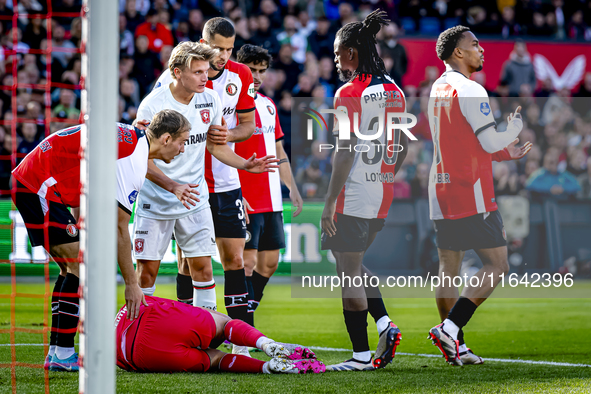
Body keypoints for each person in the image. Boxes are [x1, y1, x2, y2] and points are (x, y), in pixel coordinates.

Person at [11, 109, 200, 371]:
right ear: (166, 138)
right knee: (80, 266)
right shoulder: (131, 161)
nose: (182, 150)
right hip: (38, 185)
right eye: (182, 142)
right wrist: (132, 284)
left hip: (35, 179)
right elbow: (120, 230)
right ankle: (63, 353)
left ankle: (58, 353)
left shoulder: (133, 139)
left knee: (71, 268)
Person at [133, 41, 276, 326]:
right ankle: (136, 333)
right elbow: (140, 158)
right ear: (176, 72)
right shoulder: (153, 104)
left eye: (206, 71)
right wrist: (172, 185)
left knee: (203, 268)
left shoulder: (210, 99)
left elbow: (216, 147)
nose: (205, 77)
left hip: (196, 198)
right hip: (156, 200)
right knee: (147, 272)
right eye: (197, 71)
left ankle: (203, 335)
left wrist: (245, 164)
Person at [152, 19, 259, 357]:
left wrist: (227, 136)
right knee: (189, 264)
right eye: (219, 48)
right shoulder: (176, 79)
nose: (224, 56)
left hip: (226, 182)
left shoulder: (240, 76)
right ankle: (189, 333)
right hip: (189, 185)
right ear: (204, 42)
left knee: (236, 258)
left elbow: (247, 126)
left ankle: (238, 343)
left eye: (229, 49)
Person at [427, 26, 532, 366]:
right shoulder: (471, 89)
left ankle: (454, 344)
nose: (481, 50)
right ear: (458, 53)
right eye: (474, 45)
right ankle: (451, 327)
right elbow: (487, 142)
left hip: (440, 187)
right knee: (497, 264)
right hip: (470, 189)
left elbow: (463, 141)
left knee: (449, 267)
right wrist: (513, 130)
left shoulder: (438, 87)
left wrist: (504, 153)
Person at [320, 10, 407, 372]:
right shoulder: (395, 90)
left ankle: (359, 355)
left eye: (339, 53)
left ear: (352, 52)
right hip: (381, 193)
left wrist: (327, 204)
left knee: (348, 272)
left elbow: (344, 150)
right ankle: (384, 323)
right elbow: (400, 147)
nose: (336, 60)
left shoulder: (348, 92)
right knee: (350, 263)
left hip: (352, 193)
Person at [234, 44, 303, 329]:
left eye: (262, 70)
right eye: (253, 70)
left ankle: (244, 320)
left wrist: (293, 188)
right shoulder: (229, 105)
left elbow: (279, 151)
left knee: (269, 264)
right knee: (246, 264)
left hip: (272, 196)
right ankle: (245, 330)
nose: (258, 76)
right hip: (244, 194)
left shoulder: (267, 104)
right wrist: (235, 193)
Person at [115, 295, 325, 374]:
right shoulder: (128, 305)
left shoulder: (112, 353)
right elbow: (169, 304)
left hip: (137, 354)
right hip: (148, 317)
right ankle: (265, 344)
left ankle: (266, 367)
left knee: (215, 359)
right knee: (224, 323)